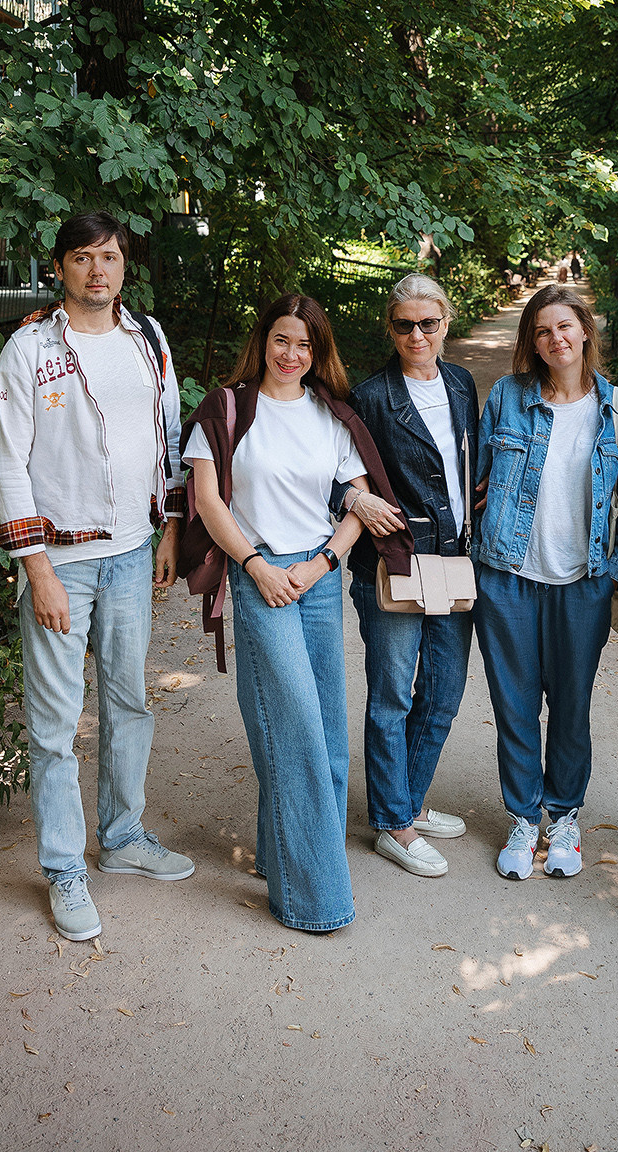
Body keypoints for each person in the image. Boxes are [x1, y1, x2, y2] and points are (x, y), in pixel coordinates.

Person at [0, 211, 193, 945]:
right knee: (54, 724)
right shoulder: (29, 349)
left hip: (133, 553)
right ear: (60, 268)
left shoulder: (148, 340)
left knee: (129, 702)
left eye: (109, 257)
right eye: (82, 257)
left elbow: (168, 440)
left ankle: (124, 836)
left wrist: (171, 528)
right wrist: (36, 567)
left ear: (124, 265)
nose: (97, 270)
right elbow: (7, 463)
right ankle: (64, 867)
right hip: (61, 562)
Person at [179, 293, 409, 933]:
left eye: (305, 344)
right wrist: (256, 567)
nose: (291, 354)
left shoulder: (332, 415)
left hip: (317, 579)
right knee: (297, 733)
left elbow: (358, 501)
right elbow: (208, 501)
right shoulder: (226, 409)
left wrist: (324, 563)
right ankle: (315, 900)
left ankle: (280, 856)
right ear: (263, 340)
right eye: (282, 339)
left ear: (318, 352)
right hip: (261, 576)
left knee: (328, 739)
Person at [474, 284, 618, 881]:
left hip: (581, 581)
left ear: (585, 331)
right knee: (514, 705)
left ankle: (564, 816)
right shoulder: (507, 397)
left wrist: (617, 576)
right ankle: (523, 817)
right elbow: (477, 481)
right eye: (542, 331)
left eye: (564, 326)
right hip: (507, 576)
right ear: (532, 343)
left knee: (571, 705)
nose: (555, 338)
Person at [346, 275, 480, 879]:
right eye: (405, 325)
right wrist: (355, 498)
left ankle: (408, 801)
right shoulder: (371, 396)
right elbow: (336, 467)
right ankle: (393, 824)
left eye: (428, 323)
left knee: (444, 691)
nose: (417, 335)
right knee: (393, 694)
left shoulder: (461, 383)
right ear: (391, 328)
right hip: (395, 558)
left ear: (446, 323)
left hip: (452, 557)